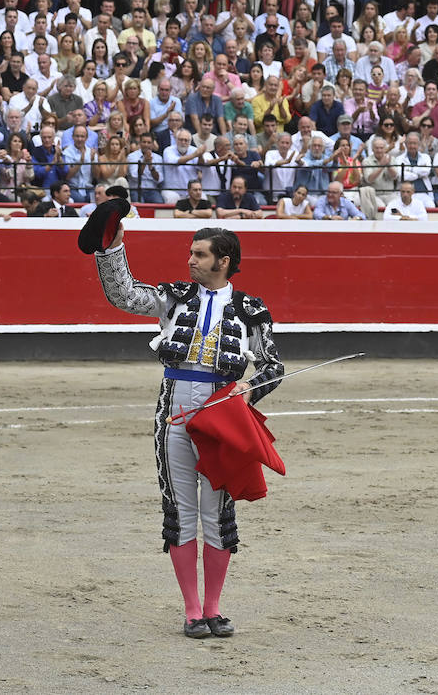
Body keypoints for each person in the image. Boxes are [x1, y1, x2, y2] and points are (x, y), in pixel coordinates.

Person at [91, 222, 284, 639]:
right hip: (173, 411)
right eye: (191, 252)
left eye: (200, 254)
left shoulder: (251, 310)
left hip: (222, 416)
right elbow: (124, 295)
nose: (190, 260)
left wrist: (250, 388)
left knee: (218, 513)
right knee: (180, 511)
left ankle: (214, 608)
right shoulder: (173, 298)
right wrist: (112, 250)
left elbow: (273, 366)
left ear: (223, 261)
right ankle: (192, 610)